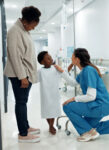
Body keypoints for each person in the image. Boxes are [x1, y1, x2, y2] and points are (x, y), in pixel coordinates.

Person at [54, 48, 109, 142]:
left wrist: (73, 98)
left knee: (67, 106)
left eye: (72, 56)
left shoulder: (88, 71)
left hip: (99, 105)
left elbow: (91, 96)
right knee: (88, 125)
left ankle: (89, 133)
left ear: (77, 59)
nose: (71, 58)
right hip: (100, 105)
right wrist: (62, 72)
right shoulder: (84, 71)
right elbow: (73, 83)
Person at [4, 6, 41, 143]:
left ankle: (25, 126)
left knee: (23, 102)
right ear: (26, 21)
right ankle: (23, 134)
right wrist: (22, 77)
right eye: (33, 25)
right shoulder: (14, 31)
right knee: (20, 102)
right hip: (19, 74)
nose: (33, 28)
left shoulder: (23, 29)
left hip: (25, 73)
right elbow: (14, 56)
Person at [37, 51, 70, 135]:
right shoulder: (40, 71)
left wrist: (72, 64)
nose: (51, 59)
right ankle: (50, 126)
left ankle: (51, 126)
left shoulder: (55, 68)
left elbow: (65, 72)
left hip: (54, 94)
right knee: (47, 111)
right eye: (48, 58)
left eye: (50, 57)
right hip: (45, 94)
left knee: (53, 111)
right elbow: (34, 80)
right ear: (42, 62)